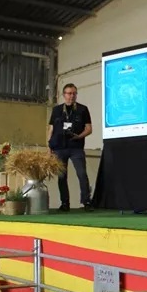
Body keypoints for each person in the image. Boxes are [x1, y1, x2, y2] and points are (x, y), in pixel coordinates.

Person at [47, 83, 93, 211]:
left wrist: (79, 136)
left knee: (82, 174)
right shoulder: (56, 110)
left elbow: (89, 129)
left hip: (76, 147)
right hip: (59, 148)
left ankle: (86, 202)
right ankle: (65, 203)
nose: (71, 96)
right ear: (64, 95)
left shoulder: (83, 109)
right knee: (62, 176)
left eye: (74, 93)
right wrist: (49, 147)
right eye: (69, 93)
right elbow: (51, 129)